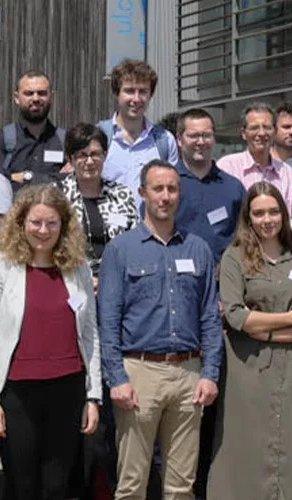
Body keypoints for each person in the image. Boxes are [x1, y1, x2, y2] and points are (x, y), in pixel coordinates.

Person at [99, 160, 225, 500]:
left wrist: (210, 373)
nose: (165, 196)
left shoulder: (198, 249)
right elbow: (108, 321)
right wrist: (117, 378)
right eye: (158, 188)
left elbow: (210, 319)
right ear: (142, 193)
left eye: (172, 189)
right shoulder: (120, 250)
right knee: (131, 484)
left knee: (181, 487)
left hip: (188, 375)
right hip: (139, 374)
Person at [0, 186, 103, 500]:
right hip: (17, 392)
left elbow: (90, 334)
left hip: (68, 388)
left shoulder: (78, 268)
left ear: (64, 226)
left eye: (51, 223)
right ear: (21, 223)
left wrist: (93, 395)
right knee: (22, 485)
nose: (43, 231)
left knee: (57, 486)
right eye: (35, 223)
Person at [208, 183, 292, 499]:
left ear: (284, 215)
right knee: (245, 446)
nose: (267, 219)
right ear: (248, 217)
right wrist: (287, 319)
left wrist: (268, 330)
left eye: (273, 212)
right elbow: (236, 316)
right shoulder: (234, 258)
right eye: (258, 213)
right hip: (247, 367)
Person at [56, 125, 138, 268]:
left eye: (95, 154)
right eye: (82, 155)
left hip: (116, 277)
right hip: (71, 277)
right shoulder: (57, 195)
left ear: (105, 155)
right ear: (70, 159)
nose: (89, 161)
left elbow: (134, 242)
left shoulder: (121, 195)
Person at [172, 109, 247, 255]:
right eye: (193, 136)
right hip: (177, 273)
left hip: (222, 275)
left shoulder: (233, 188)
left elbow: (246, 237)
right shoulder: (166, 187)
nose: (200, 142)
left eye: (206, 135)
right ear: (179, 140)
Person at [97, 60, 181, 189]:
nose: (136, 99)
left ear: (150, 95)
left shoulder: (165, 141)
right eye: (129, 91)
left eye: (142, 91)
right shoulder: (98, 136)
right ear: (116, 93)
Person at [0, 70, 68, 187]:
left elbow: (76, 178)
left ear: (51, 97)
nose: (36, 98)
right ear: (17, 98)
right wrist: (55, 177)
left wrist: (22, 177)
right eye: (29, 93)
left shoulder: (67, 141)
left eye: (42, 93)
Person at [218, 101, 292, 199]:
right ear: (244, 133)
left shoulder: (286, 173)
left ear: (275, 131)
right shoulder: (228, 167)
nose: (261, 133)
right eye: (254, 128)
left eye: (267, 127)